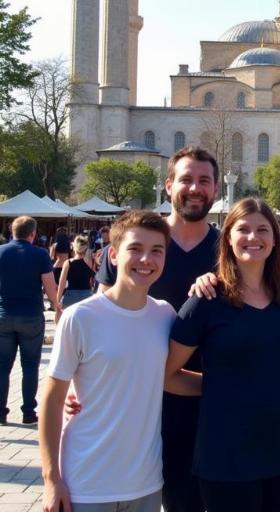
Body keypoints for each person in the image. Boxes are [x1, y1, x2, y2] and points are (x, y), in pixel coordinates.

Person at [95, 145, 220, 512]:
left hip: (206, 405)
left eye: (204, 181)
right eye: (186, 180)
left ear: (215, 189)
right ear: (168, 186)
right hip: (139, 402)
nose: (195, 188)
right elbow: (104, 317)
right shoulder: (141, 245)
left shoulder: (228, 249)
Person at [165, 198, 280, 511]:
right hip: (227, 452)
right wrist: (217, 386)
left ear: (275, 239)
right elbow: (166, 374)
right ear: (227, 237)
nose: (253, 238)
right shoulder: (207, 300)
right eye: (243, 229)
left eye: (262, 230)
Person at [39, 211, 174, 512]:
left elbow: (171, 376)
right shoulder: (81, 317)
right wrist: (51, 479)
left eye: (156, 251)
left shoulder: (165, 315)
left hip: (146, 482)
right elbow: (52, 399)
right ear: (112, 255)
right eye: (135, 249)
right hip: (86, 483)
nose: (146, 259)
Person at [0, 215, 59, 426]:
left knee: (2, 367)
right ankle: (28, 412)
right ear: (33, 233)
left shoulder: (1, 252)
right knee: (30, 366)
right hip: (31, 315)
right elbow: (49, 284)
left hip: (3, 314)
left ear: (11, 231)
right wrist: (56, 305)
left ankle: (1, 412)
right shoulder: (40, 254)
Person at [56, 234, 95, 319]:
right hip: (86, 296)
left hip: (70, 296)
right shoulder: (90, 262)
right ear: (86, 248)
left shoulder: (68, 263)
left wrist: (57, 300)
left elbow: (61, 283)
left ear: (74, 247)